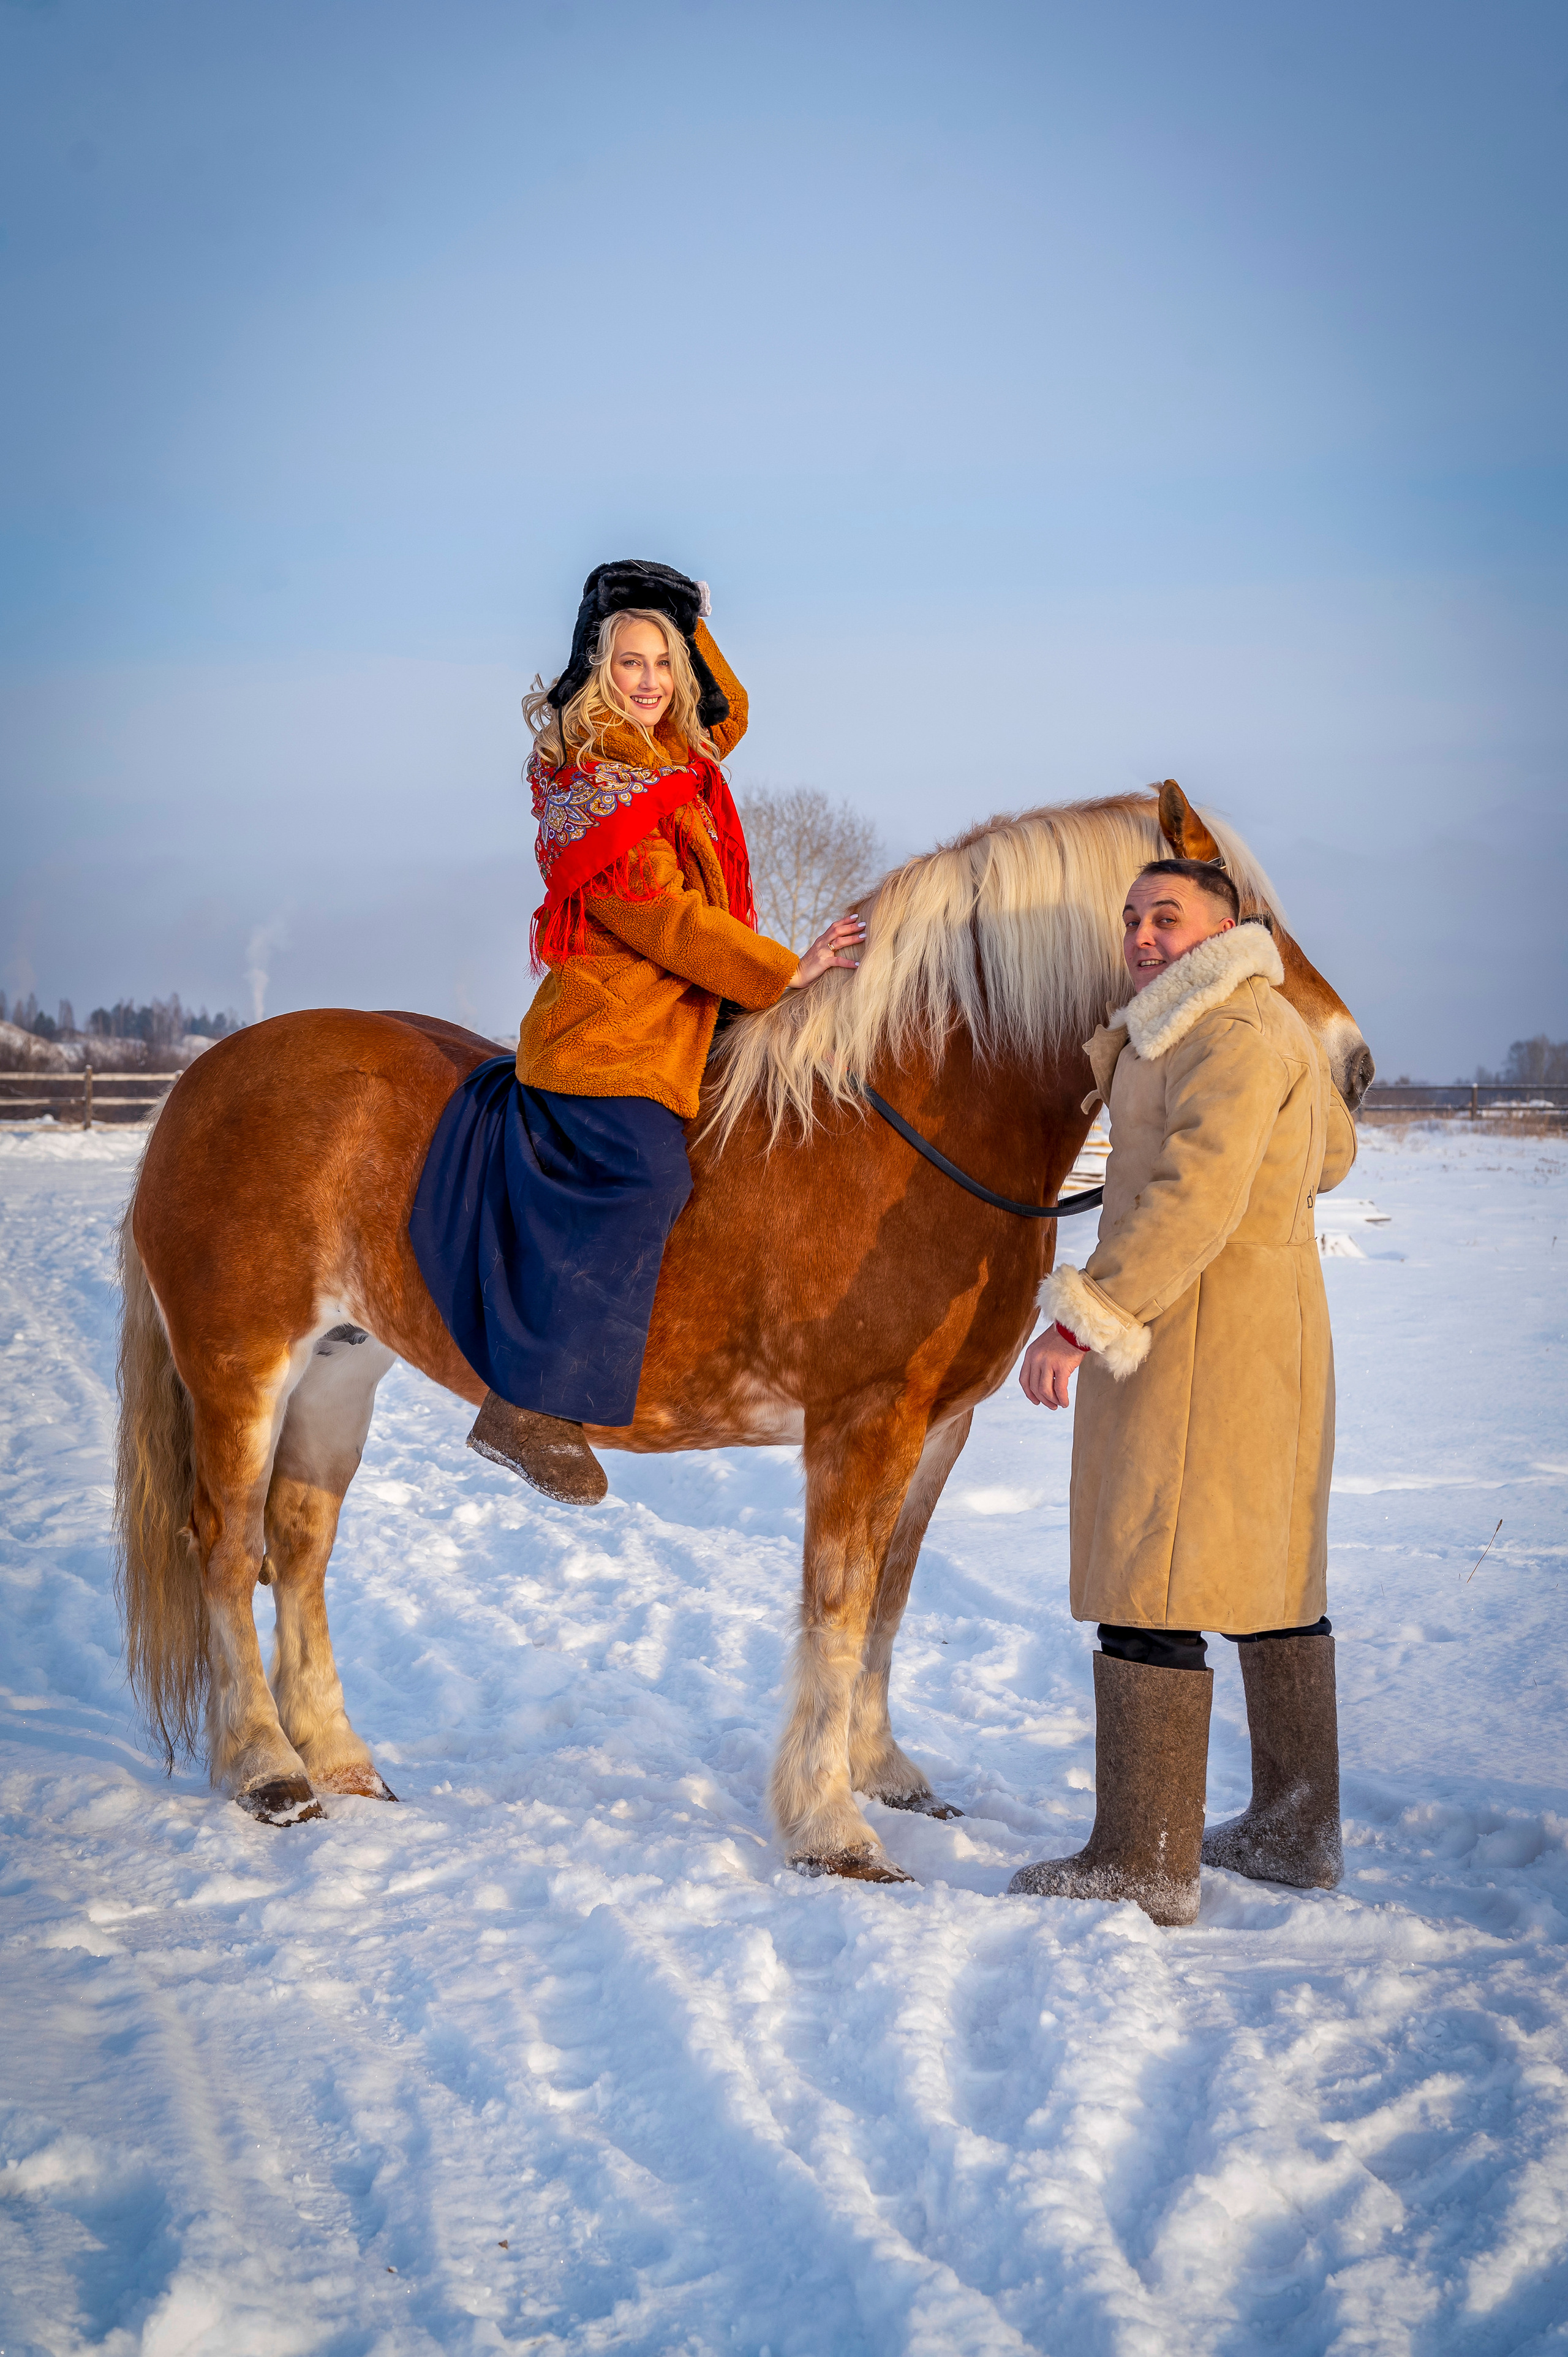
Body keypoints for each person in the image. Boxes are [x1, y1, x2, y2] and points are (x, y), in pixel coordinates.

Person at [409, 559, 864, 1506]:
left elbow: (726, 710)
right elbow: (666, 920)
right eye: (630, 661)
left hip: (685, 1019)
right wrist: (793, 969)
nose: (652, 680)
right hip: (614, 1031)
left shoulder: (675, 762)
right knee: (647, 1171)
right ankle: (532, 1407)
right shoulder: (598, 785)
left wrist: (693, 622)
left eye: (663, 663)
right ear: (597, 668)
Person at [1009, 857, 1357, 1926]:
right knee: (1262, 1582)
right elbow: (1332, 1155)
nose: (1145, 936)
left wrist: (1084, 1316)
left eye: (1169, 917)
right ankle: (1294, 1830)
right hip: (1259, 1341)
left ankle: (1143, 1858)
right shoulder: (1245, 1026)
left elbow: (1192, 1199)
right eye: (1132, 920)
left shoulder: (1230, 1034)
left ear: (1225, 928)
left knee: (1149, 1578)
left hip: (1195, 1345)